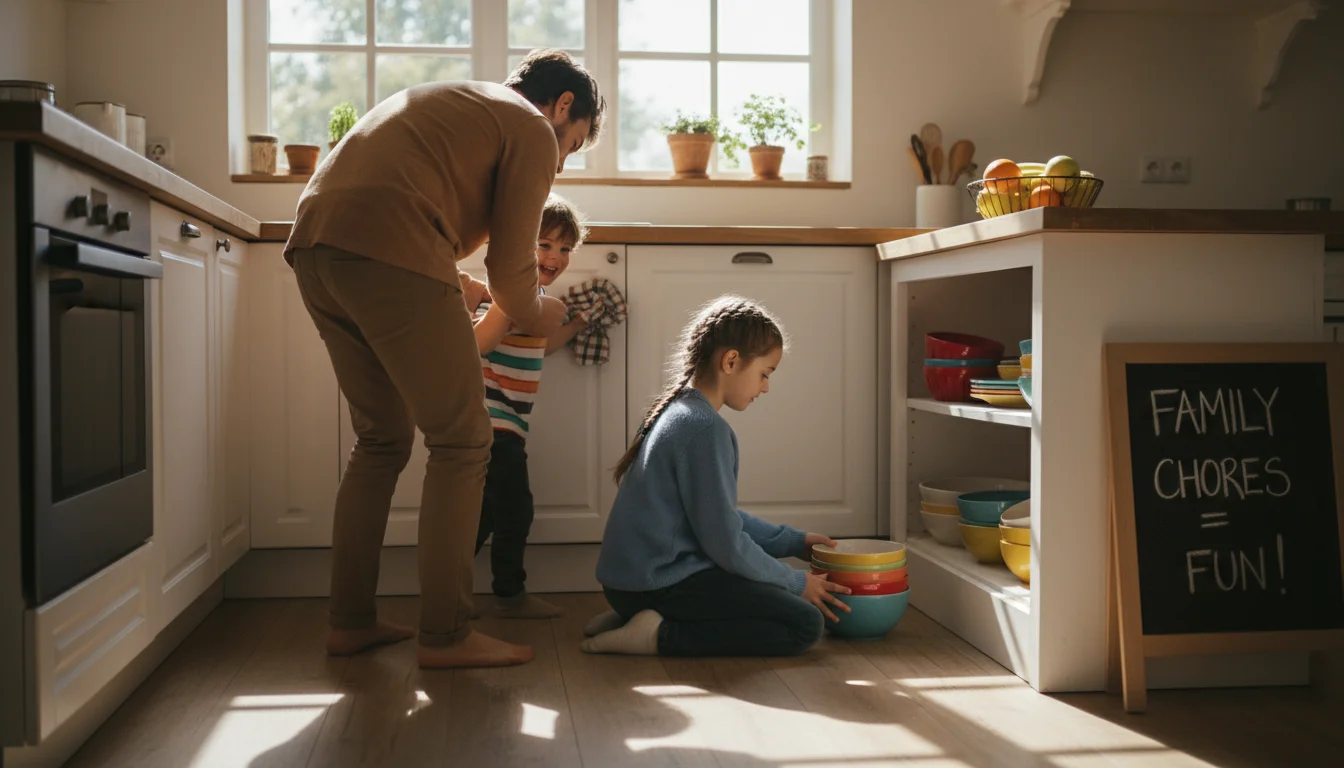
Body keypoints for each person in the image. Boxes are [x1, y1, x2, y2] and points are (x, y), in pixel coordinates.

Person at [283, 49, 605, 669]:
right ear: (563, 106)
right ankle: (447, 632)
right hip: (387, 247)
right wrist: (542, 315)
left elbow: (417, 209)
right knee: (462, 439)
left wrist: (460, 284)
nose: (563, 161)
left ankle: (349, 621)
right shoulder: (531, 126)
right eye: (576, 143)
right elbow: (513, 276)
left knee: (380, 440)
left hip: (316, 247)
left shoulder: (463, 102)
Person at [580, 297, 852, 657]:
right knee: (803, 624)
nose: (766, 387)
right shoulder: (705, 429)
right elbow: (726, 543)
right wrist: (795, 582)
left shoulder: (676, 410)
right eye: (765, 374)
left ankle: (634, 616)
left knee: (758, 591)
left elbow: (714, 518)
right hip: (659, 584)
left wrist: (791, 542)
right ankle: (658, 634)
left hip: (627, 584)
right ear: (731, 361)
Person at [470, 194, 589, 619]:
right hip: (492, 425)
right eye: (544, 244)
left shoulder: (530, 301)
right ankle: (505, 594)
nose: (555, 256)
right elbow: (477, 344)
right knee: (511, 511)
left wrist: (576, 325)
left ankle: (457, 590)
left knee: (493, 512)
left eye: (564, 249)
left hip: (504, 426)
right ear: (519, 243)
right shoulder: (507, 297)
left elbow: (541, 343)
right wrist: (504, 302)